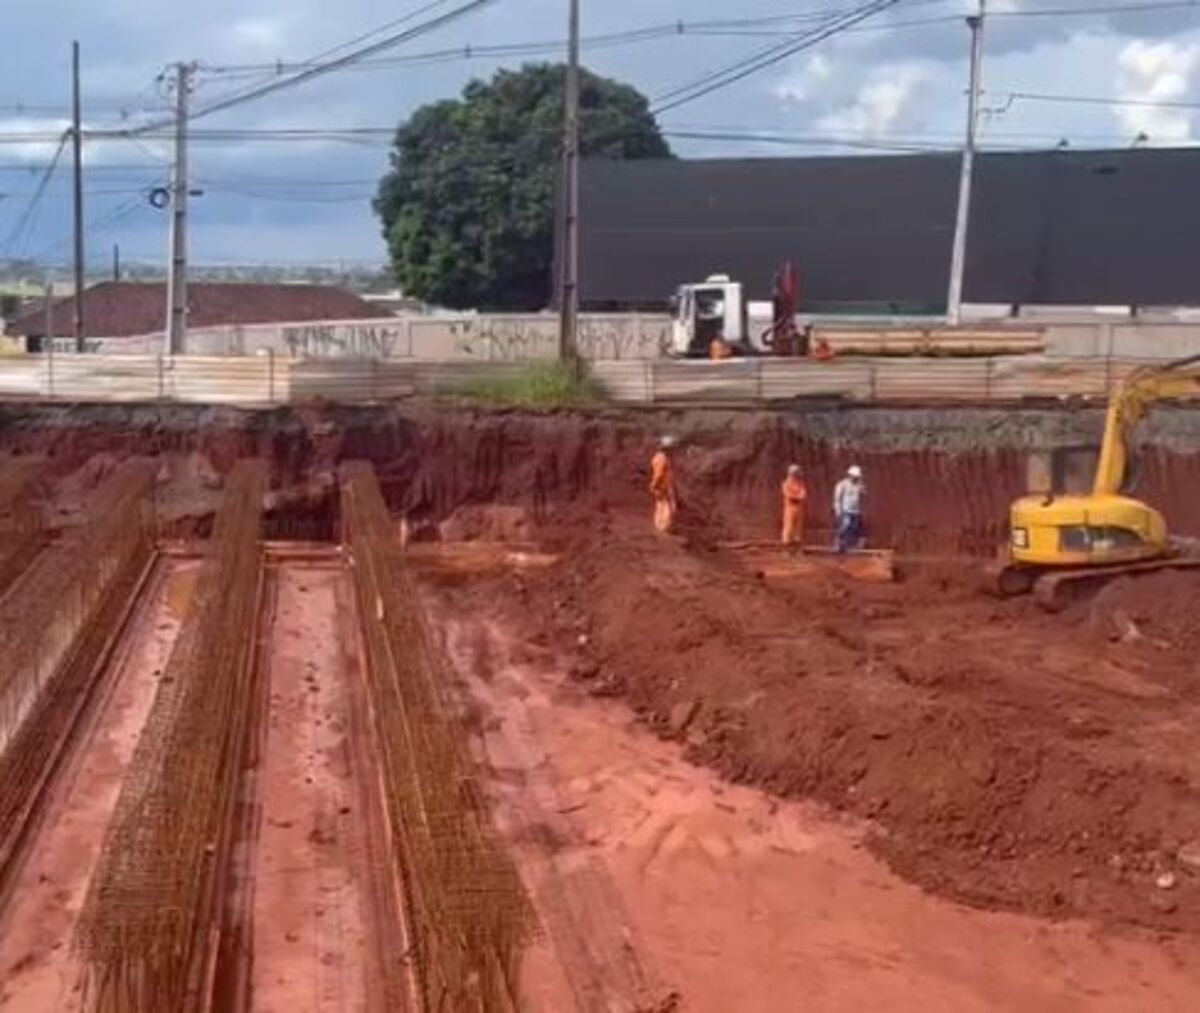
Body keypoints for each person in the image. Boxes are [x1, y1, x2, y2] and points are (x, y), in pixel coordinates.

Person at [833, 464, 865, 553]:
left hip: (855, 510)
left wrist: (861, 486)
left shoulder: (858, 485)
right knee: (845, 525)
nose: (856, 478)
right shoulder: (842, 484)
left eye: (857, 477)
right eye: (855, 476)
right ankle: (838, 542)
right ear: (850, 475)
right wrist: (838, 509)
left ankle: (846, 545)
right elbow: (837, 498)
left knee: (853, 527)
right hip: (846, 510)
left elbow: (863, 493)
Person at [650, 436, 678, 535]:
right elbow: (659, 474)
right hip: (663, 486)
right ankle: (663, 529)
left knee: (661, 506)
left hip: (662, 485)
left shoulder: (659, 457)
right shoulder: (662, 458)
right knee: (668, 508)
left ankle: (660, 528)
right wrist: (654, 485)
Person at [780, 464, 807, 549]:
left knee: (798, 527)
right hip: (790, 508)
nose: (797, 475)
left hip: (799, 508)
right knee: (789, 526)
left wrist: (800, 496)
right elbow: (787, 494)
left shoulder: (800, 483)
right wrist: (797, 497)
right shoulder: (786, 483)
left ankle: (796, 546)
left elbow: (803, 493)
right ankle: (787, 545)